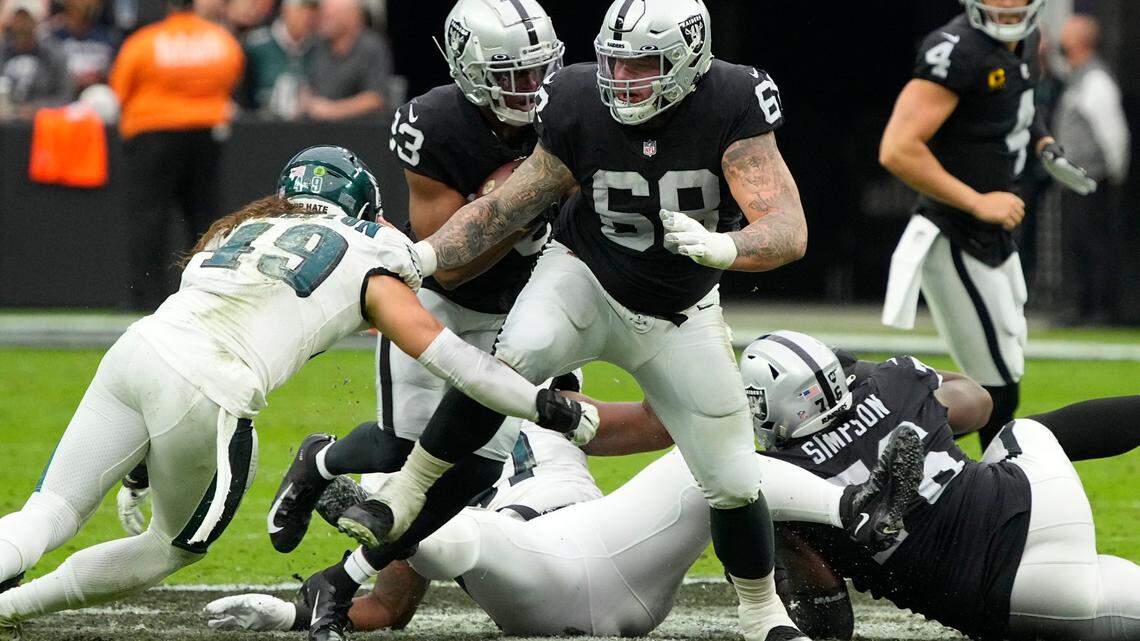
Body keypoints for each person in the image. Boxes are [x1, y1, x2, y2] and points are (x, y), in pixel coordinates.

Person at [305, 1, 856, 640]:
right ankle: (406, 491)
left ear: (690, 55)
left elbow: (789, 230)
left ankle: (761, 614)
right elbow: (511, 204)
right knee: (514, 358)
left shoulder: (731, 100)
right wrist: (422, 257)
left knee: (732, 475)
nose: (622, 79)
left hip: (680, 309)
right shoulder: (574, 97)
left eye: (643, 63)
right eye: (614, 61)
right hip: (582, 278)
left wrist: (727, 248)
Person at [0, 145, 596, 640]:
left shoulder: (236, 231)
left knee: (48, 511)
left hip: (136, 351)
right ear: (364, 205)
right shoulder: (371, 249)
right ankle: (11, 610)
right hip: (208, 390)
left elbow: (168, 359)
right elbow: (457, 361)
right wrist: (539, 403)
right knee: (169, 547)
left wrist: (136, 468)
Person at [203, 384, 923, 637]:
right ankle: (339, 488)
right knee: (447, 530)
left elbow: (665, 423)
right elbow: (391, 607)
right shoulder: (432, 451)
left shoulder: (551, 409)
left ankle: (860, 506)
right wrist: (296, 615)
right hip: (532, 568)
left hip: (617, 550)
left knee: (710, 460)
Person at [265, 0, 563, 559]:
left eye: (539, 67)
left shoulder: (568, 109)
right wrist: (517, 206)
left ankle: (365, 559)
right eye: (511, 74)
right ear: (470, 69)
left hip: (521, 306)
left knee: (477, 466)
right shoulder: (435, 124)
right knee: (398, 445)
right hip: (440, 299)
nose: (532, 86)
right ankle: (319, 461)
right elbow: (446, 259)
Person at [878, 0, 1098, 449]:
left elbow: (1019, 104)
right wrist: (978, 201)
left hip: (992, 233)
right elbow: (898, 149)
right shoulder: (956, 49)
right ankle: (903, 463)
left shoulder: (1029, 40)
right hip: (953, 231)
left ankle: (988, 486)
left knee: (1006, 372)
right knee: (993, 386)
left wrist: (1045, 144)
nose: (1006, 8)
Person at [108, 0, 244, 310]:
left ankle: (146, 300)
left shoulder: (144, 42)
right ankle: (205, 295)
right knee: (205, 219)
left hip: (152, 134)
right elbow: (233, 76)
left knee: (149, 222)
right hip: (205, 134)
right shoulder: (219, 40)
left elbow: (119, 86)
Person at [1052, 14, 1131, 326]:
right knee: (1078, 245)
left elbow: (1113, 132)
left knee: (1094, 245)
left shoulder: (1095, 79)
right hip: (1074, 180)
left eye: (1068, 33)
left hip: (1092, 178)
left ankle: (1100, 311)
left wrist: (1114, 172)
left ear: (1081, 40)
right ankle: (1082, 307)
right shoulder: (1076, 77)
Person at [300, 0, 390, 121]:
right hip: (317, 127)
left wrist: (332, 110)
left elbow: (375, 98)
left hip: (360, 129)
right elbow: (306, 84)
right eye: (322, 16)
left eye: (329, 17)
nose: (322, 22)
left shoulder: (371, 47)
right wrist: (306, 100)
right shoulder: (317, 45)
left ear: (351, 17)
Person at [237, 0, 317, 118]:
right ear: (285, 10)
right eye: (301, 10)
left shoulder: (318, 47)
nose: (306, 17)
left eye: (311, 11)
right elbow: (240, 91)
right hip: (260, 124)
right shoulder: (256, 45)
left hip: (306, 127)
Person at [0, 0, 73, 117]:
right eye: (18, 18)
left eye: (27, 19)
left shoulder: (53, 53)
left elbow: (64, 96)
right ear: (11, 21)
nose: (22, 25)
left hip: (44, 122)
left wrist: (37, 108)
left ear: (37, 22)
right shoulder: (2, 51)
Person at [48, 0, 120, 95]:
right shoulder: (53, 36)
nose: (87, 4)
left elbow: (115, 72)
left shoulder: (108, 37)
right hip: (61, 97)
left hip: (96, 96)